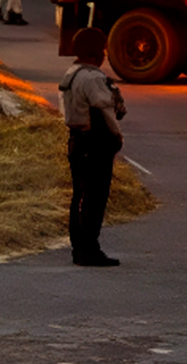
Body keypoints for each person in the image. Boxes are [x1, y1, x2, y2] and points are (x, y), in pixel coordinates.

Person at [59, 27, 127, 267]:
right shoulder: (94, 79)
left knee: (79, 196)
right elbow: (108, 111)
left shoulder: (71, 74)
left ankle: (79, 247)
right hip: (95, 141)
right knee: (95, 197)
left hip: (76, 139)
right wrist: (116, 138)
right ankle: (89, 248)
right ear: (95, 53)